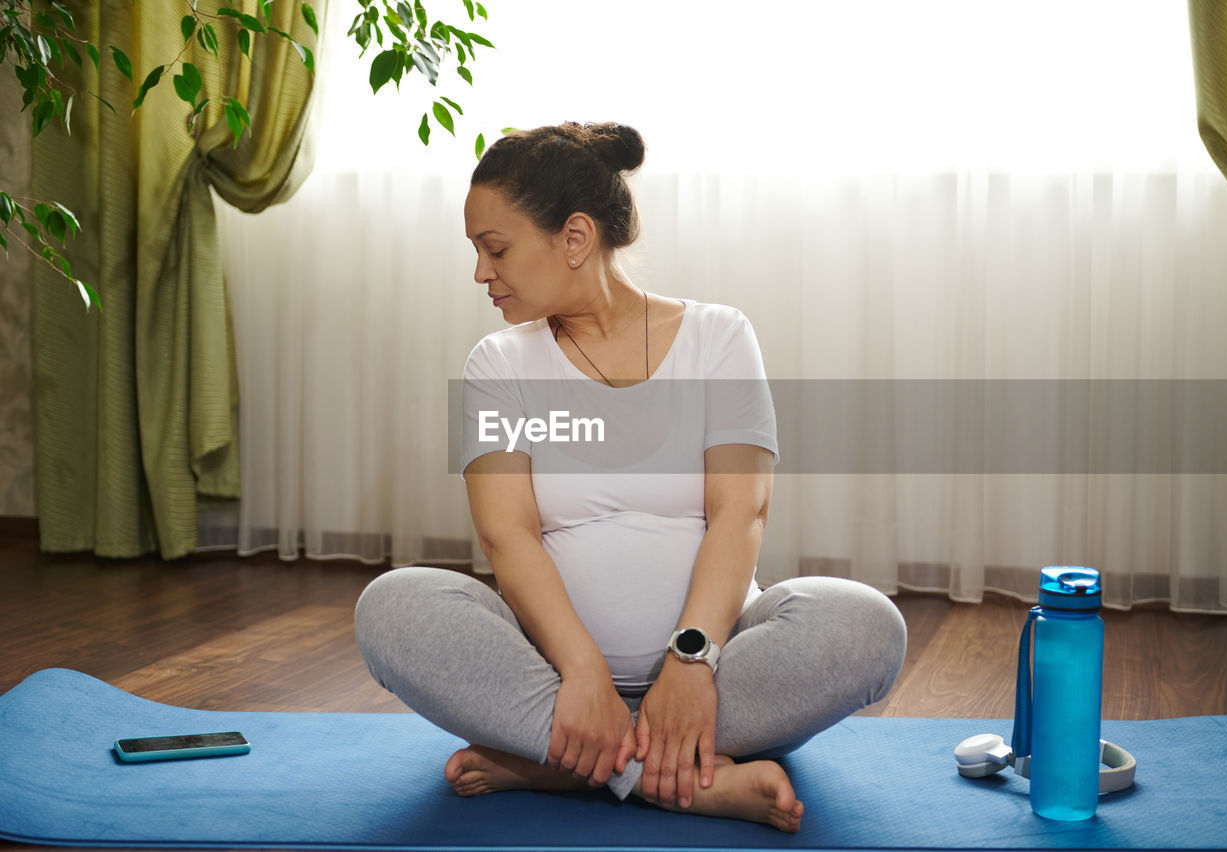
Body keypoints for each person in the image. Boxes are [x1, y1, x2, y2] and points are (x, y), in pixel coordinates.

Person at [354, 121, 907, 833]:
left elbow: (740, 515)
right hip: (551, 678)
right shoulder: (498, 365)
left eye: (496, 250)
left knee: (866, 627)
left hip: (720, 668)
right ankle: (660, 774)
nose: (481, 273)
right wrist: (583, 674)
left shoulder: (719, 337)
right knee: (392, 606)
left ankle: (559, 766)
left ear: (575, 238)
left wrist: (692, 662)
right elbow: (508, 536)